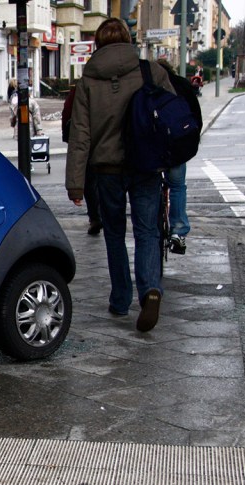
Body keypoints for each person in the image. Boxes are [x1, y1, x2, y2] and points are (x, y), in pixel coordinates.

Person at [65, 17, 175, 332]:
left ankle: (120, 299)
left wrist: (75, 183)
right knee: (147, 232)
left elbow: (80, 135)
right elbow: (170, 113)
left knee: (114, 234)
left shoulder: (87, 82)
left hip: (106, 169)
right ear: (128, 41)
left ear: (97, 45)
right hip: (145, 165)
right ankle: (150, 289)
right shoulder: (149, 71)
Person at [157, 59, 203, 255]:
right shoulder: (182, 85)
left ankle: (152, 228)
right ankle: (178, 231)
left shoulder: (146, 87)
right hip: (177, 146)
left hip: (152, 149)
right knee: (177, 186)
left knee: (149, 188)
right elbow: (196, 117)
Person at [61, 83, 101, 235]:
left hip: (87, 141)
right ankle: (104, 216)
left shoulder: (81, 87)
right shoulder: (121, 83)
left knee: (90, 181)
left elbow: (68, 113)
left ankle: (95, 217)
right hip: (112, 143)